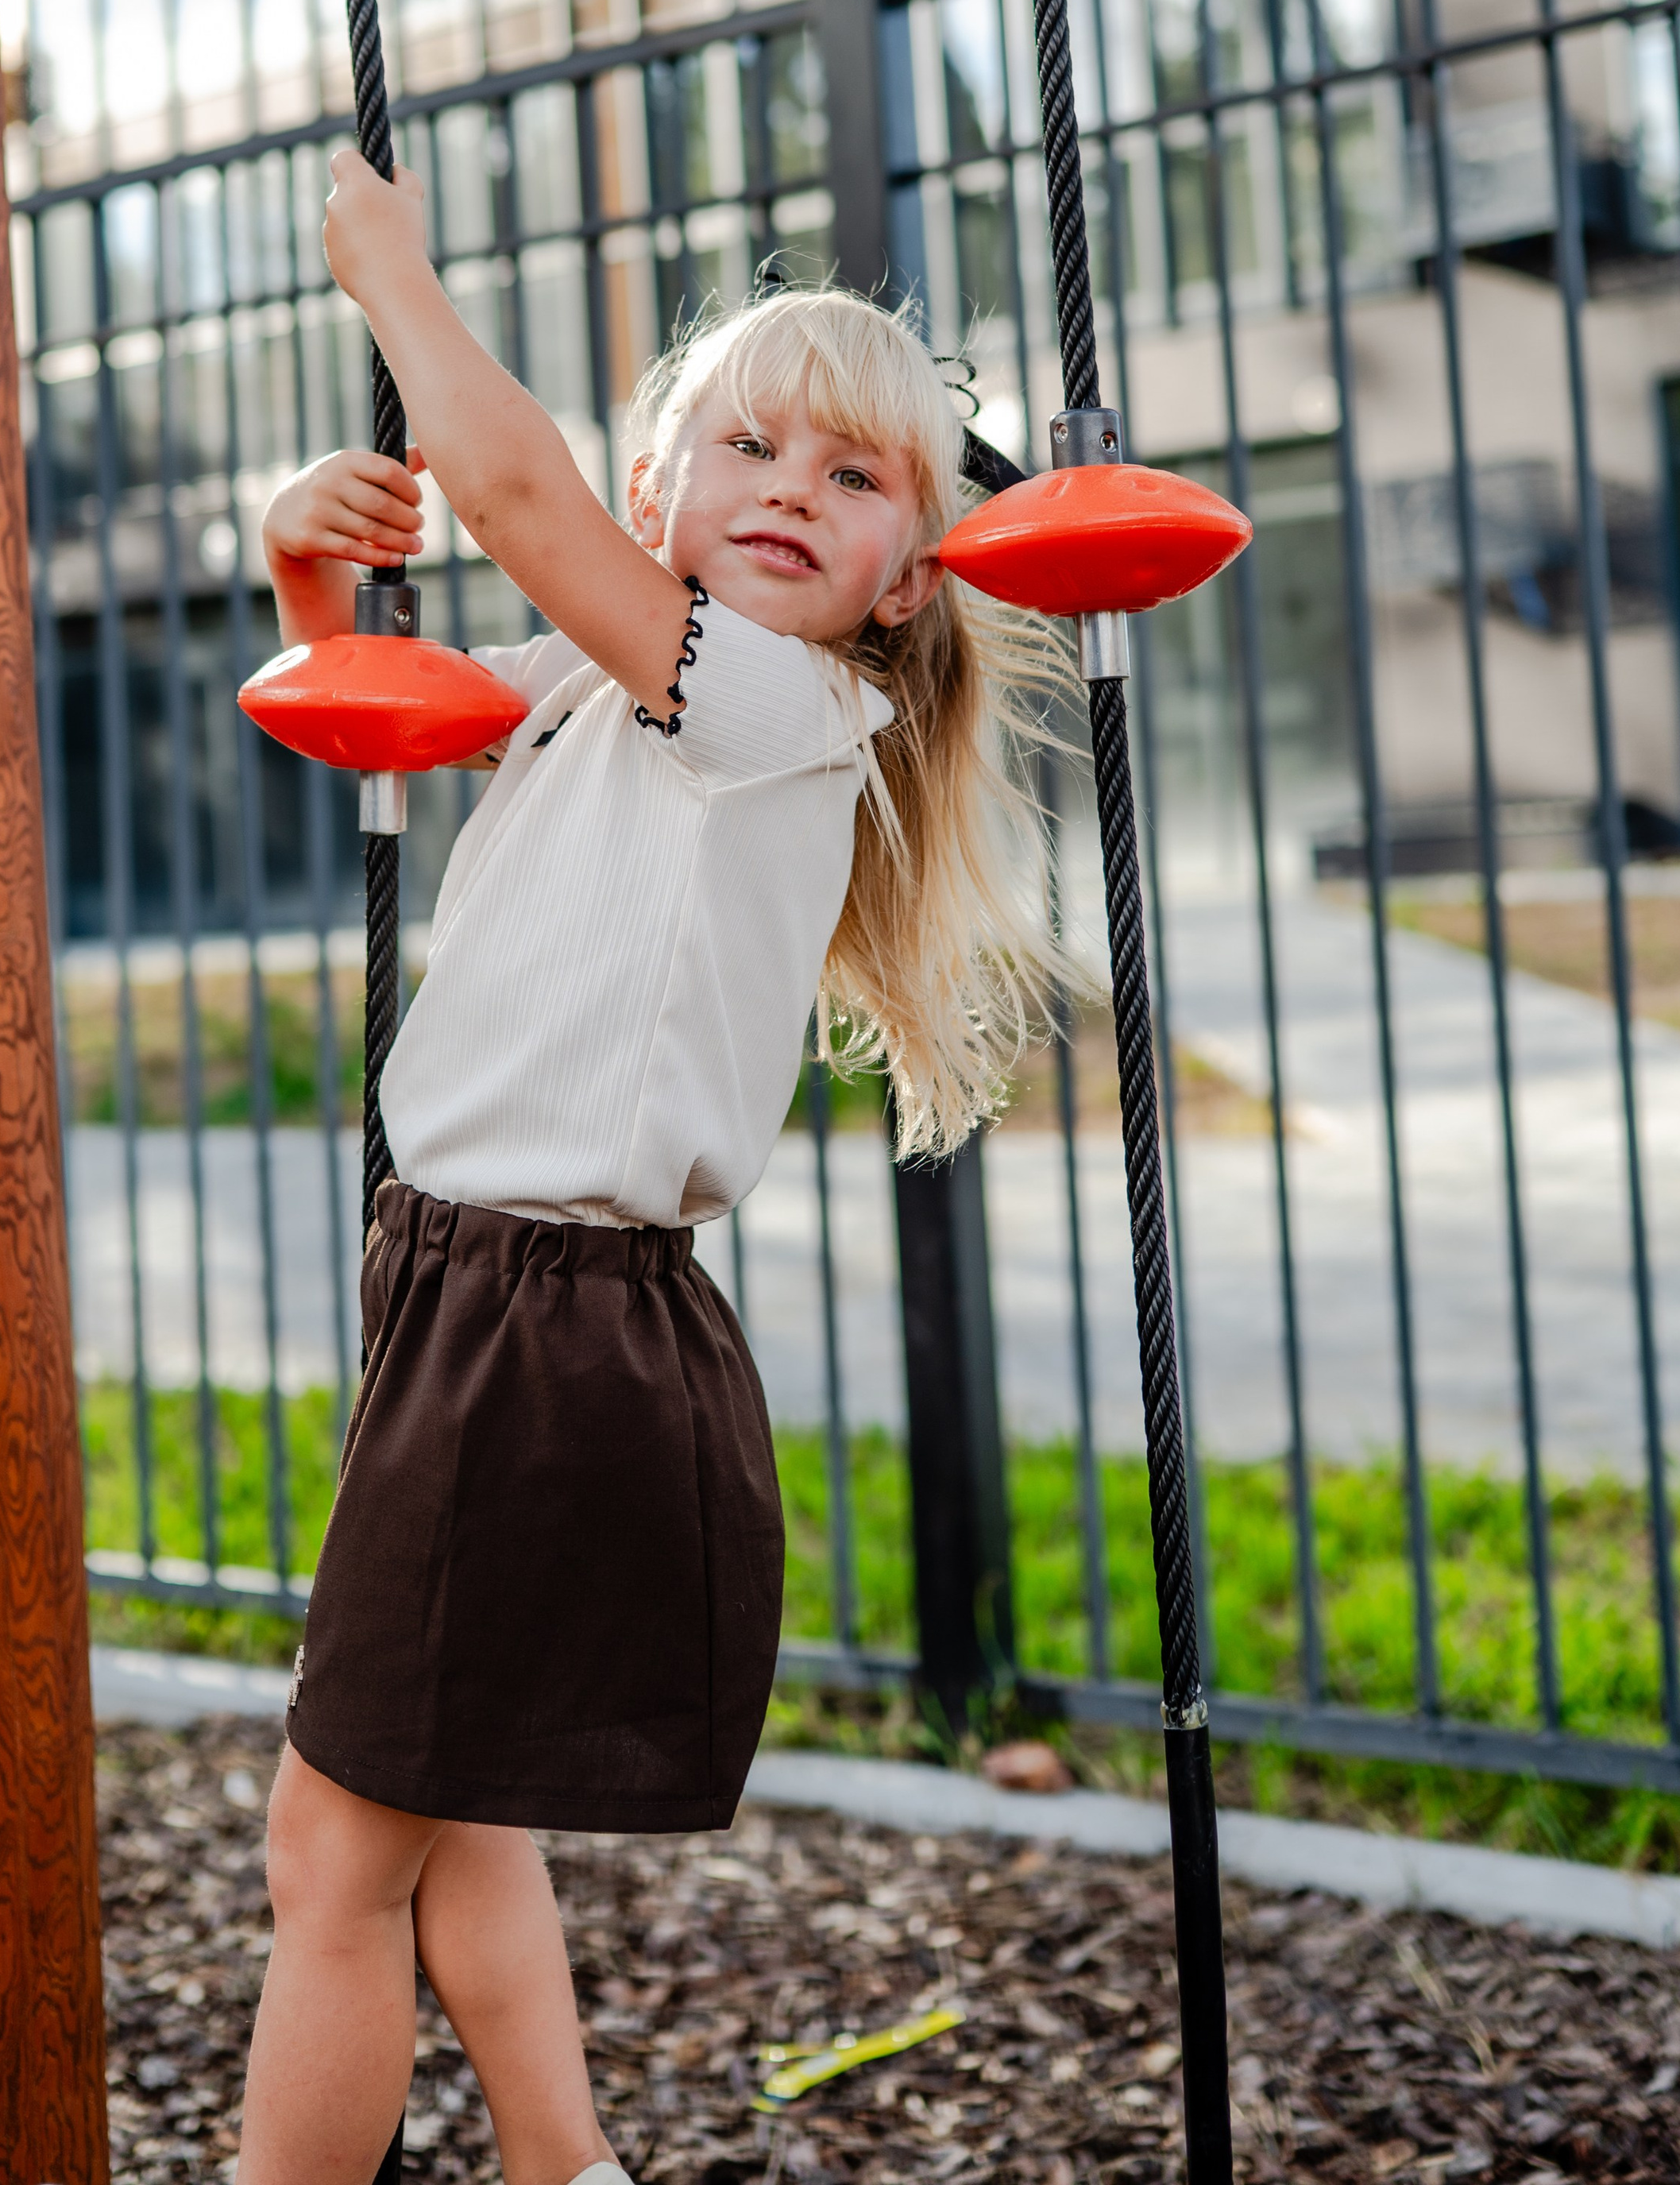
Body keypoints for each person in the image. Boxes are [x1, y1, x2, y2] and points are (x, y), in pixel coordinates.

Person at [236, 143, 1076, 2185]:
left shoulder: (776, 703)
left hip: (540, 1317)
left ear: (905, 577)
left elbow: (506, 494)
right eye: (749, 443)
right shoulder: (611, 689)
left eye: (852, 473)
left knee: (329, 1858)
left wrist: (388, 278)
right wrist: (299, 570)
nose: (789, 483)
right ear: (662, 496)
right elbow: (359, 711)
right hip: (465, 1287)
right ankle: (564, 2165)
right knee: (453, 1814)